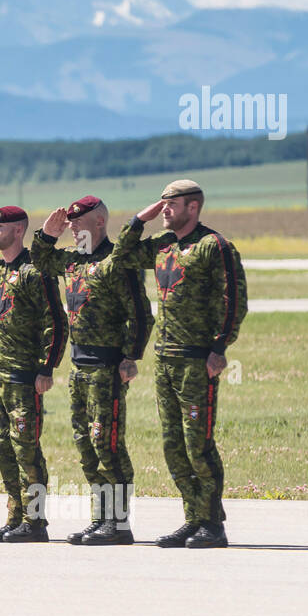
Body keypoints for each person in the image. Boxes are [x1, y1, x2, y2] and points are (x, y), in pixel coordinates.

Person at [110, 180, 248, 549]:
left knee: (198, 445)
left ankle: (212, 524)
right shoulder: (162, 246)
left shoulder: (214, 247)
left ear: (193, 207)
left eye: (172, 204)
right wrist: (140, 219)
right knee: (173, 446)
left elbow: (233, 300)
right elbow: (121, 256)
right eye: (163, 204)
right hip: (166, 358)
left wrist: (219, 348)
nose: (165, 209)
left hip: (197, 358)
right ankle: (193, 519)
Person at [31, 196, 153, 545]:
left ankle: (119, 523)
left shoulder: (117, 262)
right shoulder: (71, 262)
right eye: (69, 221)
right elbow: (40, 261)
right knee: (86, 446)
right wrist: (47, 235)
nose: (71, 226)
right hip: (79, 366)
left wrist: (131, 357)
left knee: (107, 443)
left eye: (77, 220)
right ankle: (101, 519)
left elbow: (142, 314)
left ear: (99, 222)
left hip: (107, 366)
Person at [0, 207, 67, 543]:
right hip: (0, 375)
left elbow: (57, 323)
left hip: (25, 375)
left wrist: (46, 368)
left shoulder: (37, 271)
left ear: (18, 231)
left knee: (26, 449)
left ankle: (35, 522)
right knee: (6, 449)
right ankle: (15, 516)